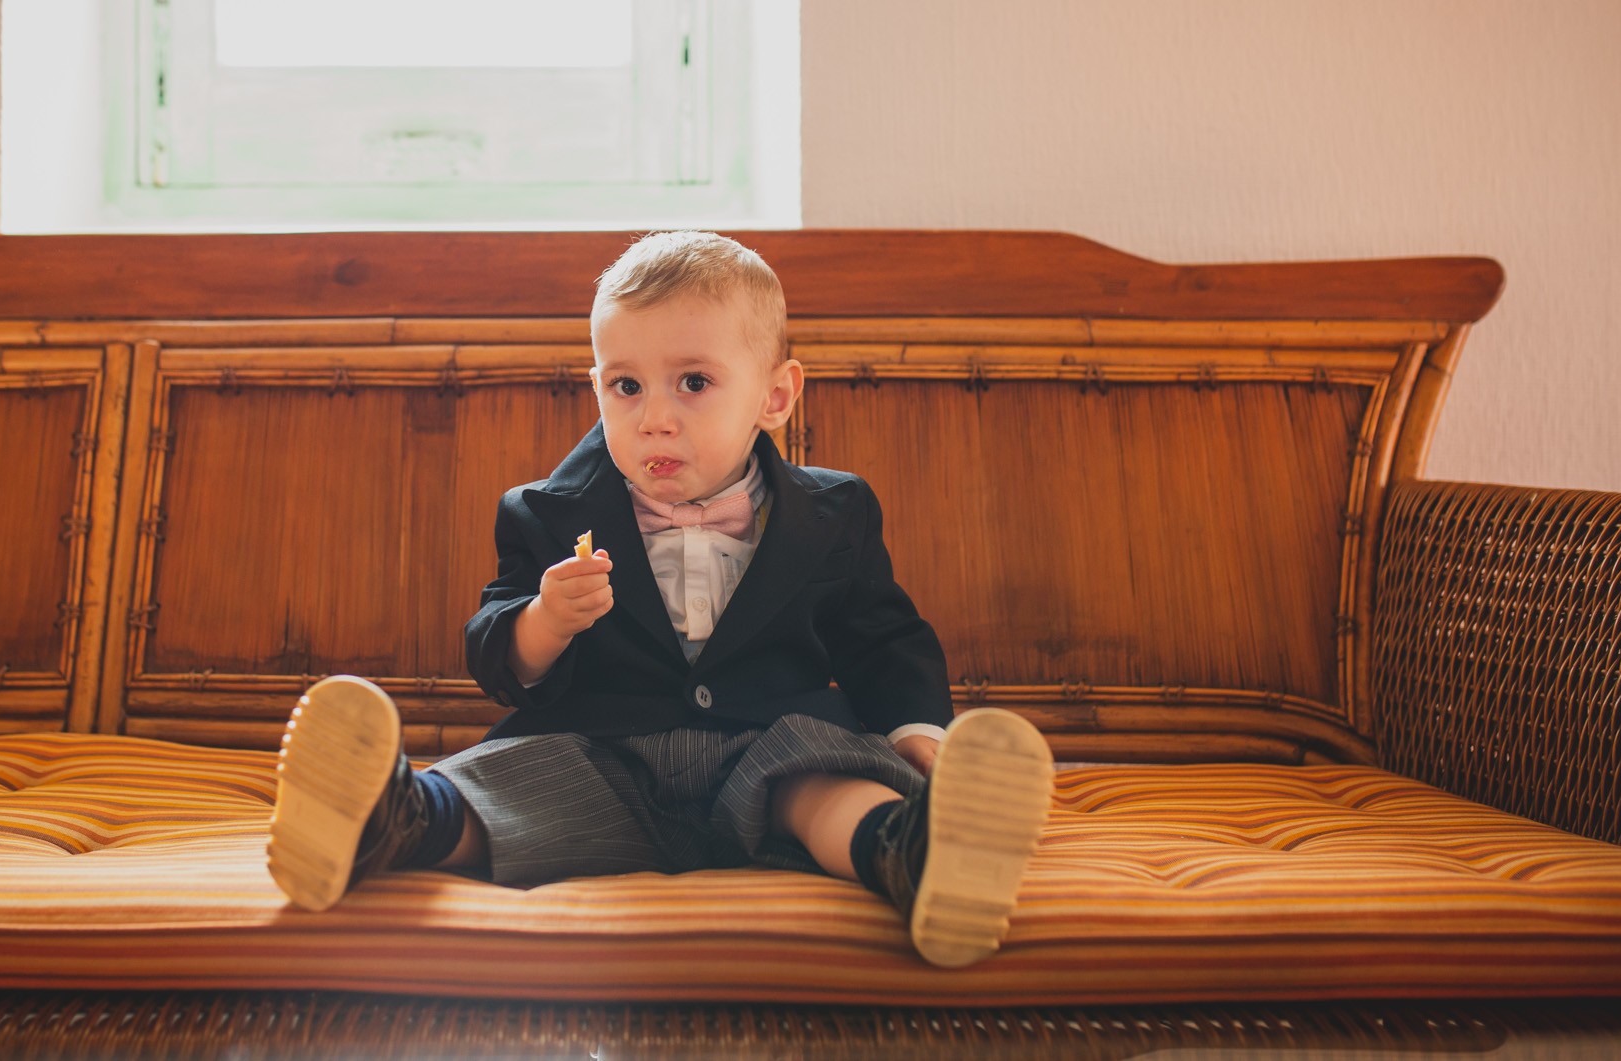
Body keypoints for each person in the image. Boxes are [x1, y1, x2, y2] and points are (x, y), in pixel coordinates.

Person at [266, 230, 1054, 967]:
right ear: (596, 387)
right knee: (510, 787)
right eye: (627, 385)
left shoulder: (835, 513)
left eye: (694, 382)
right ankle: (386, 816)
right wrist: (544, 622)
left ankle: (912, 851)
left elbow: (883, 638)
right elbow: (496, 652)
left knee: (828, 785)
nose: (655, 418)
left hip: (769, 749)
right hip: (602, 755)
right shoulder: (547, 513)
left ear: (776, 397)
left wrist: (918, 730)